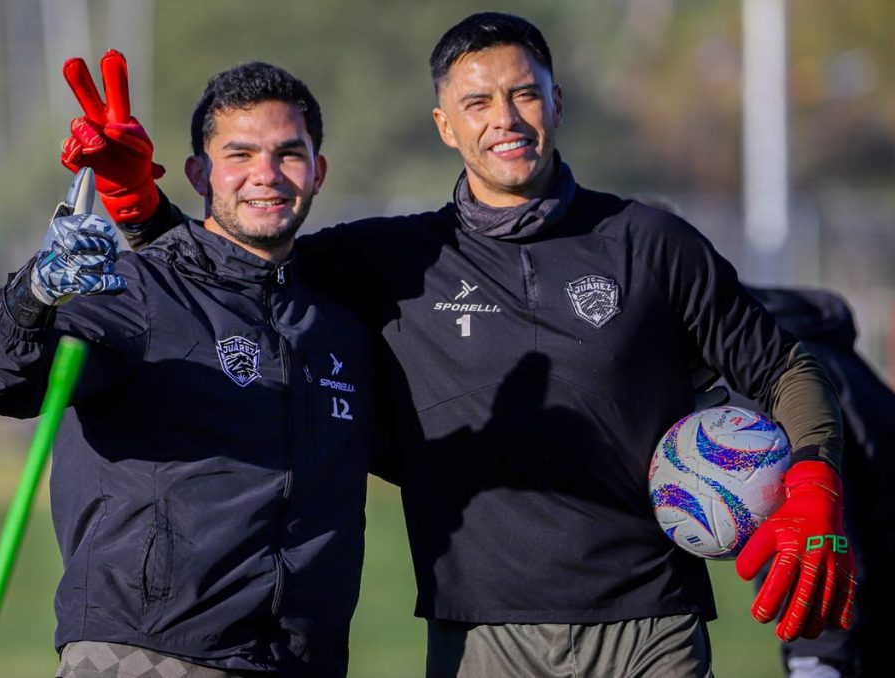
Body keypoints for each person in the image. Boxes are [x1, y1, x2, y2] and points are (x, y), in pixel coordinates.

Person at [63, 14, 855, 676]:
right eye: (477, 102)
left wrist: (815, 478)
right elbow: (232, 269)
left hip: (650, 622)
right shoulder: (392, 259)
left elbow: (786, 367)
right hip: (481, 636)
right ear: (446, 124)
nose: (504, 119)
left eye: (523, 94)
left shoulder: (650, 242)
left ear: (556, 100)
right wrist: (138, 205)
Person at [0, 58, 377, 677]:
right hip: (147, 655)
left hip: (298, 660)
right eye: (239, 154)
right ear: (198, 172)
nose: (265, 174)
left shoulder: (337, 323)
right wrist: (35, 292)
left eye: (288, 153)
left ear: (318, 171)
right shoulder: (139, 289)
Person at [725, 286, 892, 678]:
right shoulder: (836, 361)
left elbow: (813, 529)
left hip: (855, 625)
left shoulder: (770, 386)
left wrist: (815, 659)